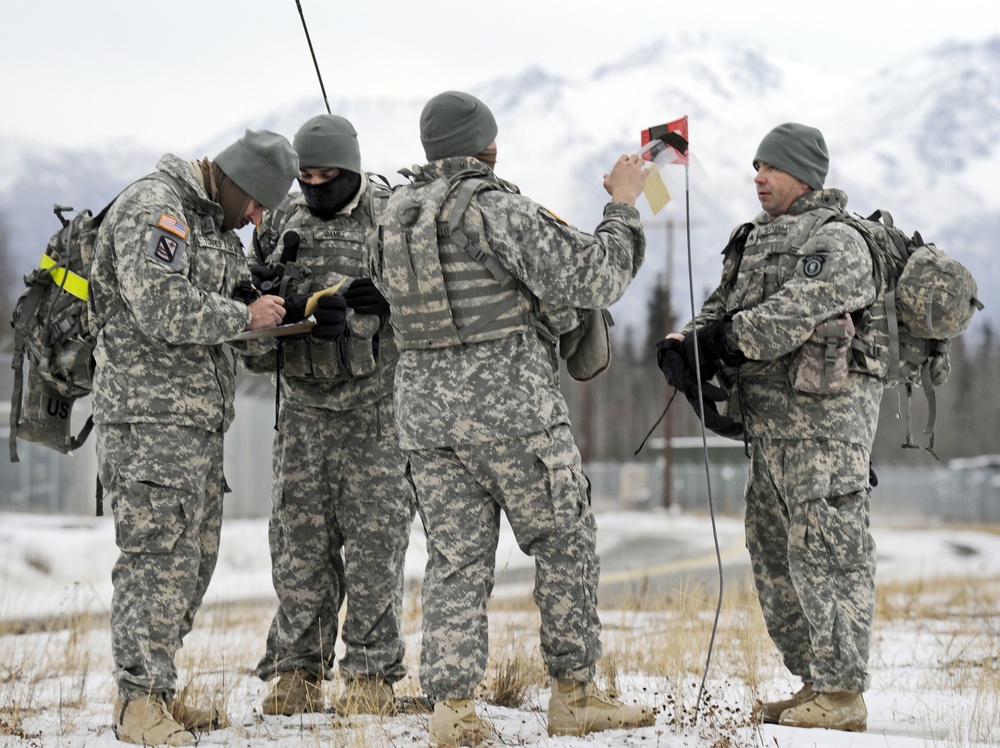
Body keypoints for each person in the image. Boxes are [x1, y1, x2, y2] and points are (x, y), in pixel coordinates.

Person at [374, 90, 656, 746]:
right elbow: (596, 276)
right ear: (489, 146)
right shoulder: (497, 210)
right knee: (564, 541)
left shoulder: (390, 219)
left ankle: (451, 709)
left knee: (454, 560)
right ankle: (575, 695)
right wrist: (622, 205)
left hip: (426, 420)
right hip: (512, 413)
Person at [658, 123, 880, 732]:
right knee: (773, 551)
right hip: (769, 430)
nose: (758, 177)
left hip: (822, 432)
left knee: (828, 554)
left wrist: (723, 340)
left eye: (771, 168)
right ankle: (815, 680)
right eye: (755, 166)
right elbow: (724, 305)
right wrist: (687, 340)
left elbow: (794, 312)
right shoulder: (753, 239)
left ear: (805, 173)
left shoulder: (838, 241)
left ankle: (841, 694)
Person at [88, 129, 299, 746]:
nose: (257, 217)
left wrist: (273, 307)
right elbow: (158, 304)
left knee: (192, 562)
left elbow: (225, 304)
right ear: (237, 183)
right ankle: (137, 703)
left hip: (198, 425)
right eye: (258, 203)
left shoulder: (213, 229)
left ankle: (158, 691)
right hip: (149, 422)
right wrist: (244, 317)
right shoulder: (159, 207)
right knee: (155, 560)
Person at [245, 114, 416, 716]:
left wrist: (382, 307)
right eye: (306, 175)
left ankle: (371, 675)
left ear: (353, 169)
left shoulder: (393, 216)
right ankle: (297, 671)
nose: (316, 186)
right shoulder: (282, 220)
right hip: (302, 413)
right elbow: (250, 325)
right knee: (298, 548)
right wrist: (264, 301)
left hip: (376, 415)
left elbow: (425, 300)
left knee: (375, 548)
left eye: (328, 175)